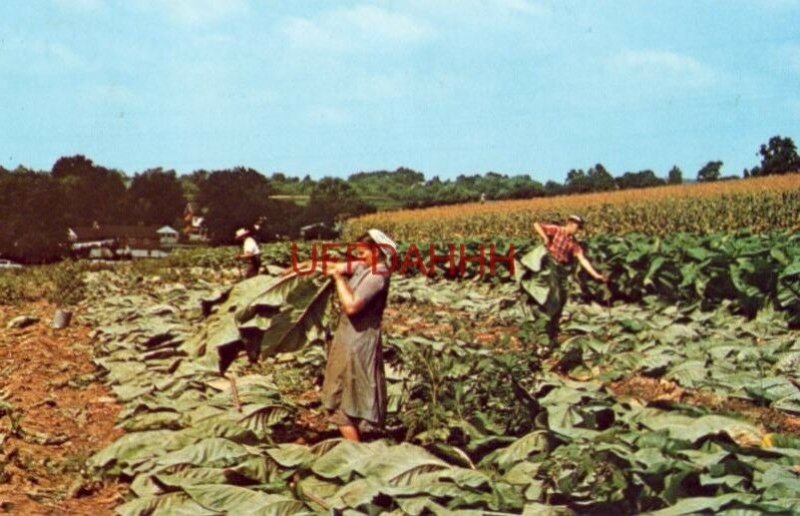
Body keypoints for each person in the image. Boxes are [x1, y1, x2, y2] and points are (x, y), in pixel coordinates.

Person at [319, 228, 395, 442]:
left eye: (363, 253)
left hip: (358, 343)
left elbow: (352, 306)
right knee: (344, 395)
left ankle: (356, 451)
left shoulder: (377, 276)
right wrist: (299, 270)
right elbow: (336, 266)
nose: (358, 257)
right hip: (348, 338)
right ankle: (356, 447)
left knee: (344, 400)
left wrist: (338, 279)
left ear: (376, 252)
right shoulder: (366, 266)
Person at [530, 215, 608, 346]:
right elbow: (536, 224)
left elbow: (582, 259)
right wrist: (544, 237)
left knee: (561, 300)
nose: (578, 230)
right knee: (550, 300)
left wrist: (596, 275)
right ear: (571, 223)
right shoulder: (557, 230)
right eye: (577, 227)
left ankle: (553, 335)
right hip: (549, 266)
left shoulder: (574, 243)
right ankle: (542, 334)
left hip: (561, 270)